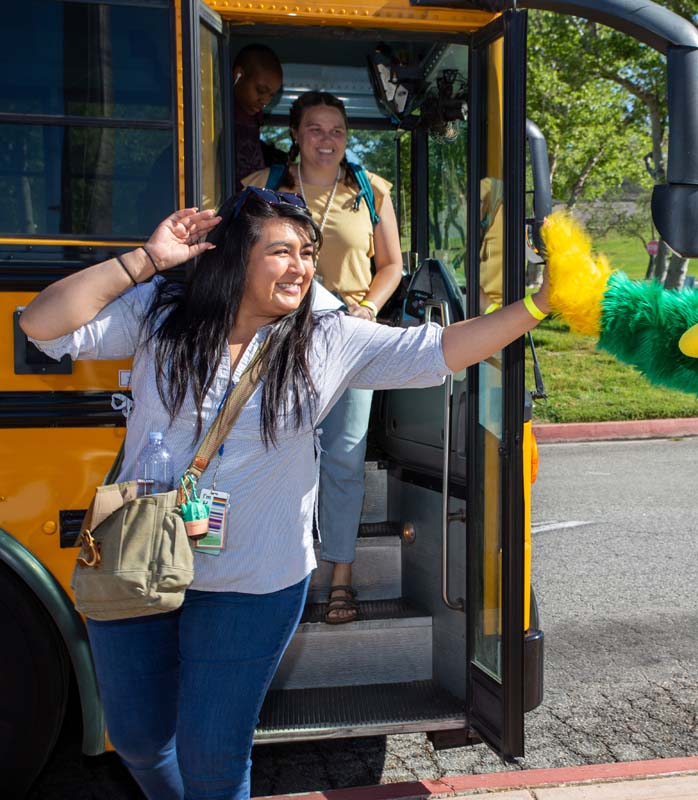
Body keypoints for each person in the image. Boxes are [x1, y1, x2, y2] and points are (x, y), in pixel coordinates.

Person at [18, 193, 552, 800]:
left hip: (253, 583)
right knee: (138, 738)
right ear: (232, 259)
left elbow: (439, 350)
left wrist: (538, 305)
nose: (300, 266)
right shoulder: (163, 312)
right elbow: (41, 324)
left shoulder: (325, 337)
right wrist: (147, 259)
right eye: (280, 251)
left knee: (214, 760)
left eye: (307, 252)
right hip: (140, 565)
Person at [242, 91, 405, 623]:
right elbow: (234, 261)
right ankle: (267, 569)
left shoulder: (370, 190)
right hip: (276, 339)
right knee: (270, 448)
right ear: (296, 134)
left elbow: (392, 268)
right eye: (315, 129)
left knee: (345, 455)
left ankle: (341, 575)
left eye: (336, 130)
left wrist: (369, 307)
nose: (327, 139)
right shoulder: (262, 188)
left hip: (348, 341)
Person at [232, 44, 286, 186]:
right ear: (238, 75)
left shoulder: (256, 120)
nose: (266, 101)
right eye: (261, 90)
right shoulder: (218, 113)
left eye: (271, 95)